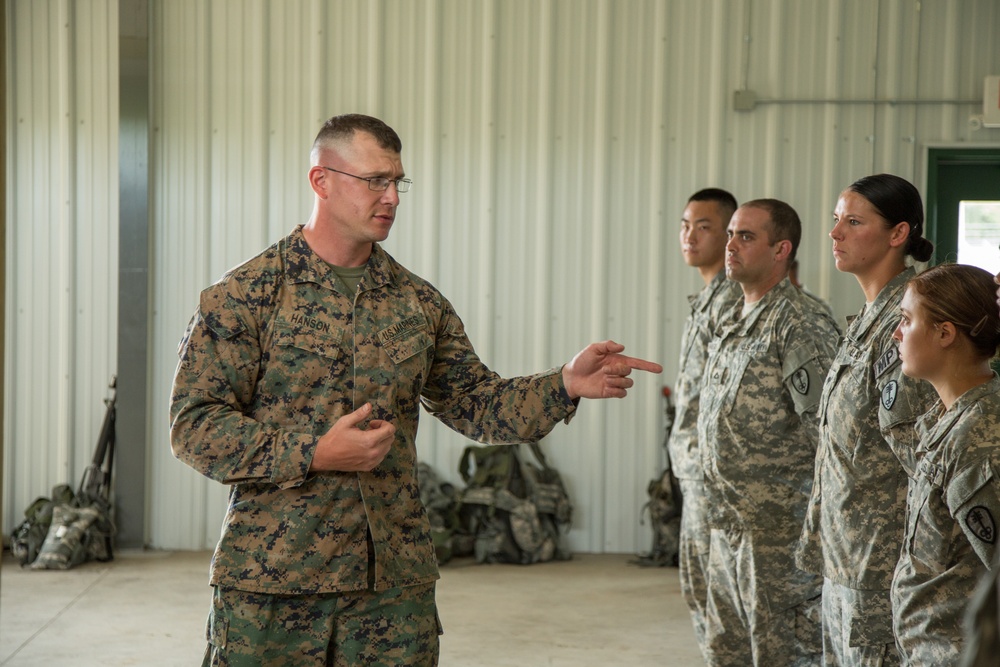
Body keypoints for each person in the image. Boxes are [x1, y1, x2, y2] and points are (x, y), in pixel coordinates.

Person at [169, 113, 662, 666]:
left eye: (397, 181)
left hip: (391, 592)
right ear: (322, 181)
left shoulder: (417, 303)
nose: (392, 198)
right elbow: (194, 426)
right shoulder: (245, 296)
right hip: (275, 585)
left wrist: (563, 385)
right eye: (374, 180)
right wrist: (315, 452)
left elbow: (477, 403)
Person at [796, 173, 938, 666]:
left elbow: (923, 461)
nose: (835, 234)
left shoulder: (905, 325)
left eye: (853, 222)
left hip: (880, 570)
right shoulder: (868, 319)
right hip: (844, 559)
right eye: (835, 221)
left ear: (898, 234)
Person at [698, 199, 841, 666]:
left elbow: (827, 436)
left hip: (778, 537)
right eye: (731, 234)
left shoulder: (798, 323)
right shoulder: (734, 319)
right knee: (727, 651)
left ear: (781, 249)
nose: (730, 245)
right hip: (727, 525)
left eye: (746, 236)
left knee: (781, 656)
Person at [889, 263, 1000, 665]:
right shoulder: (946, 417)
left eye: (905, 320)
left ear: (944, 333)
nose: (896, 334)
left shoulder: (979, 435)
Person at [666, 188, 741, 658]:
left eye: (705, 226)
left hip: (717, 477)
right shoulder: (708, 297)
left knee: (721, 603)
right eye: (685, 225)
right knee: (700, 594)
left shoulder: (734, 300)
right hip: (694, 470)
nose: (690, 235)